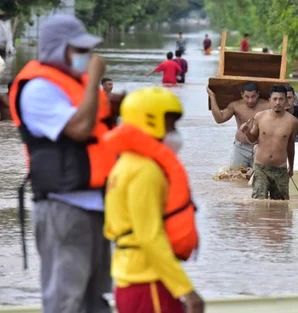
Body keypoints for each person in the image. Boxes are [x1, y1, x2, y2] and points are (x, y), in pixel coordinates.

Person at [8, 14, 118, 313]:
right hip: (63, 206)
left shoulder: (79, 85)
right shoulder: (39, 89)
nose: (86, 56)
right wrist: (95, 79)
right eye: (79, 49)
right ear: (58, 49)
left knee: (95, 300)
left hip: (96, 206)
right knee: (65, 301)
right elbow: (80, 129)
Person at [103, 87, 204, 313]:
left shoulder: (125, 164)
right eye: (170, 125)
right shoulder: (145, 171)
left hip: (132, 277)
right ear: (151, 123)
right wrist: (186, 290)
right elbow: (149, 237)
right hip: (148, 281)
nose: (175, 133)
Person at [240, 85, 298, 200]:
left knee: (281, 206)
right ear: (269, 101)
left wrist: (291, 167)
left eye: (281, 99)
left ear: (286, 101)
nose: (278, 102)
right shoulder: (260, 117)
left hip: (280, 169)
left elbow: (291, 146)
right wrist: (246, 132)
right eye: (275, 99)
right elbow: (253, 139)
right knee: (258, 202)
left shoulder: (293, 122)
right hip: (261, 167)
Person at [207, 82, 269, 169]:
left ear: (258, 94)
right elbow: (219, 119)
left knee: (259, 178)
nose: (250, 100)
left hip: (261, 148)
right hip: (241, 148)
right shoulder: (235, 105)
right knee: (236, 177)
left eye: (253, 96)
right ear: (242, 95)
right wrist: (212, 97)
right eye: (247, 97)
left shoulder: (268, 105)